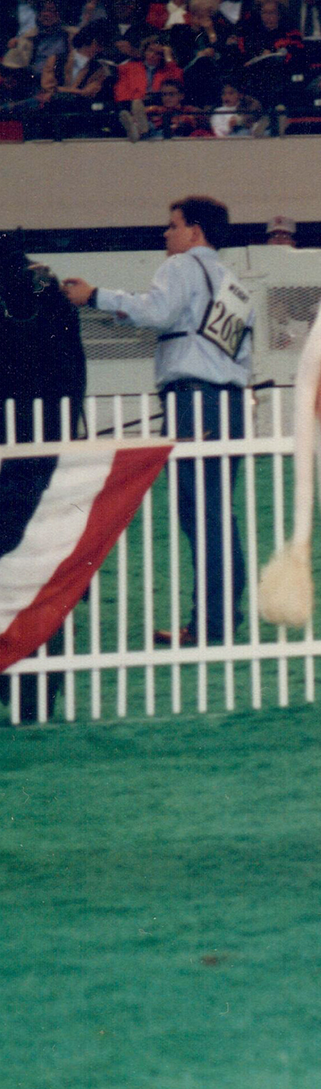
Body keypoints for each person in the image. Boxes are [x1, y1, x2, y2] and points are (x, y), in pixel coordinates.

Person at [60, 196, 254, 648]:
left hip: (194, 402)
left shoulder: (180, 268)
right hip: (230, 403)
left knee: (199, 514)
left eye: (172, 225)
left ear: (195, 232)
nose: (166, 234)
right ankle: (224, 616)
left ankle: (208, 624)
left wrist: (95, 297)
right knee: (218, 514)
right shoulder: (233, 283)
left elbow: (157, 312)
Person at [0, 229, 85, 722]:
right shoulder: (49, 290)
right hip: (50, 446)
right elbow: (73, 370)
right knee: (43, 568)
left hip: (17, 449)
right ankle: (39, 685)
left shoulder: (14, 295)